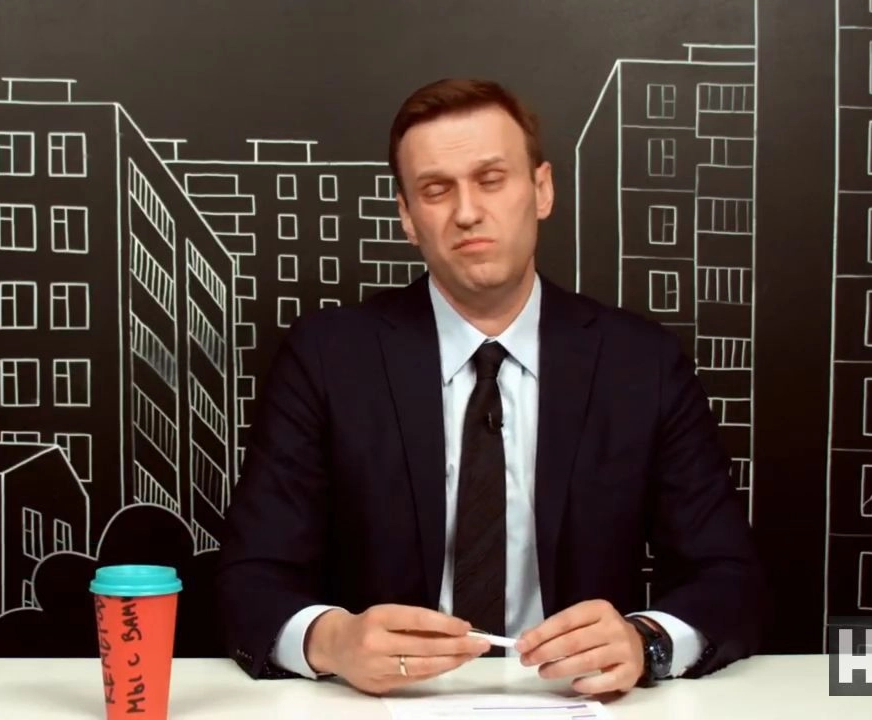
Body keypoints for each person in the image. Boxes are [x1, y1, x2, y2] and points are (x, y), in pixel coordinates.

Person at [213, 77, 767, 697]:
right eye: (435, 190)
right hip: (382, 705)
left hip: (578, 702)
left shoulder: (642, 363)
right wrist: (331, 640)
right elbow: (248, 577)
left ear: (542, 189)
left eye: (491, 179)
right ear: (407, 217)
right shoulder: (326, 358)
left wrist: (646, 642)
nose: (467, 212)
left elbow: (728, 577)